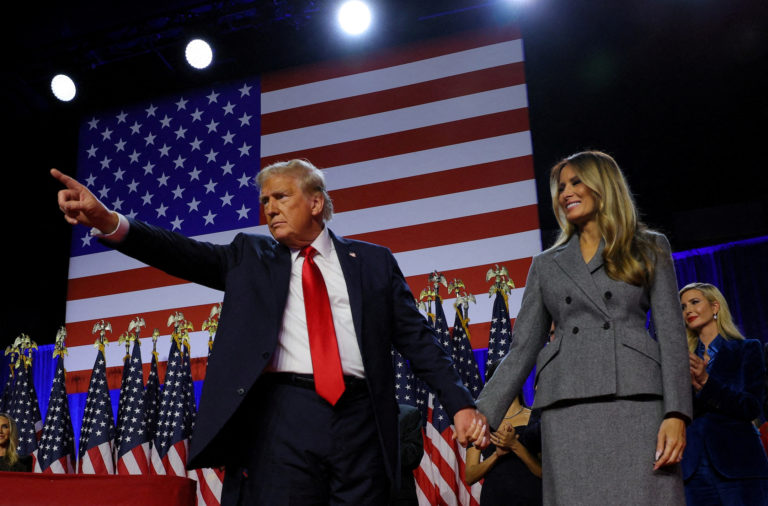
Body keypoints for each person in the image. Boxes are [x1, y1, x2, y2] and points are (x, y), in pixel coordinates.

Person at [52, 159, 488, 505]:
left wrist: (461, 405)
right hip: (283, 416)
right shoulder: (250, 255)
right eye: (265, 201)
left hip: (362, 418)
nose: (270, 208)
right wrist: (108, 220)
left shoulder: (372, 262)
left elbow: (419, 339)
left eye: (281, 196)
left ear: (316, 203)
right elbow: (179, 252)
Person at [474, 150, 692, 504]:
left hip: (637, 402)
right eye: (561, 187)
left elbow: (671, 338)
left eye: (576, 182)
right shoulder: (545, 265)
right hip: (568, 406)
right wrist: (481, 415)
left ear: (603, 185)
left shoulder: (649, 247)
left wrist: (677, 412)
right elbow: (523, 348)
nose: (565, 193)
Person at [680, 282, 768, 504]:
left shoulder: (747, 349)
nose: (688, 310)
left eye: (694, 302)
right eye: (682, 307)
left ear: (715, 306)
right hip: (693, 469)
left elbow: (751, 407)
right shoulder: (680, 360)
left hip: (739, 464)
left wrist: (707, 382)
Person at [466, 360, 542, 506]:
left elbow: (542, 472)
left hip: (532, 498)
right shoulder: (481, 423)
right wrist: (496, 455)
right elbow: (470, 476)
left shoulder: (535, 418)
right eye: (500, 377)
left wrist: (514, 445)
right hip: (495, 498)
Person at [391, 403, 423, 506]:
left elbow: (412, 458)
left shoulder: (408, 414)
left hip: (398, 496)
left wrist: (384, 434)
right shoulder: (352, 419)